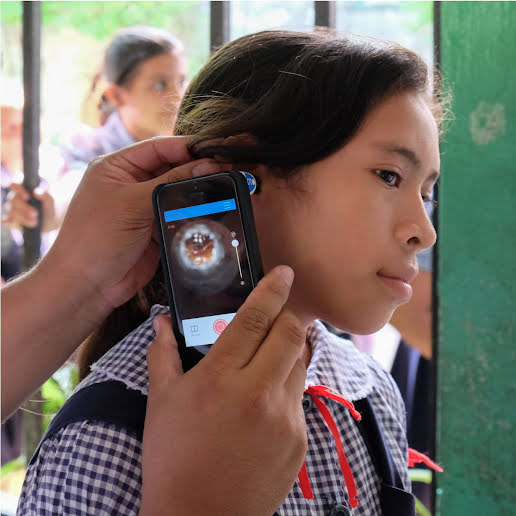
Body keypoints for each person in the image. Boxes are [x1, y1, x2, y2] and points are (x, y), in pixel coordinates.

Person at [16, 29, 445, 515]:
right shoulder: (110, 434)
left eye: (427, 191)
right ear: (242, 179)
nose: (424, 232)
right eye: (388, 176)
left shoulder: (368, 392)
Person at [2, 137, 307, 515]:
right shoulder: (102, 440)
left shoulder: (366, 386)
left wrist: (79, 278)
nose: (407, 223)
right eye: (386, 176)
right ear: (254, 189)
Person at [2, 25, 187, 236]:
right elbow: (76, 188)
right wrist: (49, 211)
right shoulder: (91, 150)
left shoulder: (189, 148)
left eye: (181, 81)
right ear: (116, 95)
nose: (178, 95)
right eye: (160, 85)